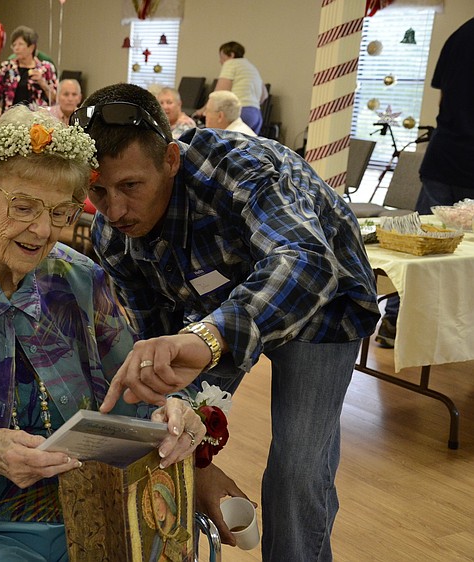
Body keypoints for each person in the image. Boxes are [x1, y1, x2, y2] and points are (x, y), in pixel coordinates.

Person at [0, 106, 205, 562]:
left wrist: (172, 412)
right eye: (24, 206)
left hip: (93, 508)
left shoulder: (78, 280)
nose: (43, 230)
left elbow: (137, 387)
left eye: (60, 212)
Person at [71, 83, 380, 561]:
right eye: (98, 191)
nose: (114, 211)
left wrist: (210, 336)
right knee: (167, 437)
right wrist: (193, 451)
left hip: (321, 301)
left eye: (131, 186)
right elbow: (154, 337)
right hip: (216, 312)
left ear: (171, 160)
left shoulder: (240, 169)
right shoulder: (113, 236)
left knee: (298, 468)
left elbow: (304, 261)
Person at [375, 17, 474, 349]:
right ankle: (450, 334)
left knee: (417, 250)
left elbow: (443, 100)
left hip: (444, 155)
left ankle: (393, 322)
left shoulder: (460, 35)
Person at [0, 26, 57, 116]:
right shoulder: (7, 68)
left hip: (38, 119)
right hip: (11, 119)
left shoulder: (46, 68)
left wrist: (43, 83)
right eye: (14, 45)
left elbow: (56, 99)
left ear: (31, 47)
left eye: (20, 44)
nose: (16, 48)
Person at [212, 41, 267, 134]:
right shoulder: (251, 66)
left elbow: (220, 93)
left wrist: (204, 110)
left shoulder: (230, 63)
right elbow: (264, 95)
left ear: (231, 55)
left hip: (241, 112)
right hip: (256, 114)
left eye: (222, 57)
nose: (220, 61)